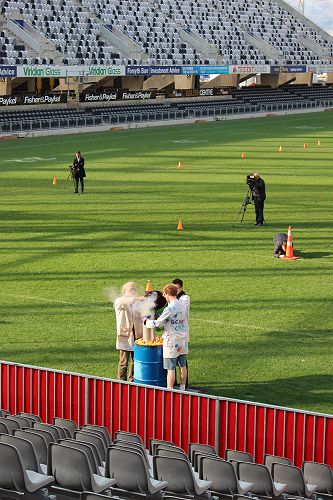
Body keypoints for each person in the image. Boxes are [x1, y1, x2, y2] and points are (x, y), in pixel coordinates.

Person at [146, 284, 188, 390]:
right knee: (182, 365)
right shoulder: (183, 304)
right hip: (182, 339)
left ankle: (170, 390)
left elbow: (158, 324)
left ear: (168, 293)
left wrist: (146, 322)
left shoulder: (169, 309)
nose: (164, 295)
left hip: (171, 341)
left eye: (164, 293)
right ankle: (183, 388)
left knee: (171, 368)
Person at [114, 282, 144, 382]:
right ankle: (121, 382)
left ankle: (132, 381)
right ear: (124, 291)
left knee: (135, 361)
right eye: (131, 289)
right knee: (123, 362)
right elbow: (122, 301)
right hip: (125, 336)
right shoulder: (119, 301)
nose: (133, 291)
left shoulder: (137, 303)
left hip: (137, 335)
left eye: (134, 289)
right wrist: (137, 298)